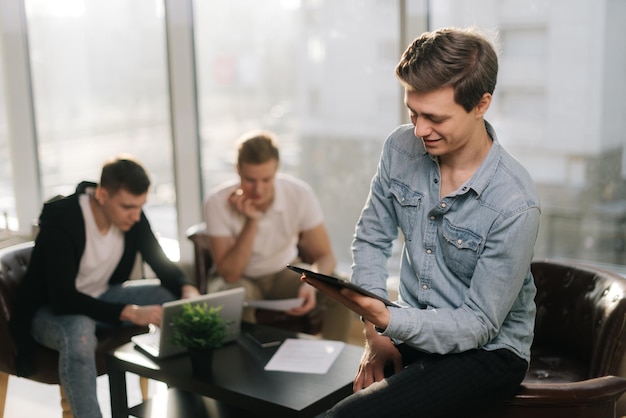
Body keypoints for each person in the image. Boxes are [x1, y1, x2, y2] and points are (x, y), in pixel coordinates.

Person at [302, 27, 541, 417]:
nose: (419, 130)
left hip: (489, 350)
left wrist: (388, 319)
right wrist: (374, 331)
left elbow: (478, 323)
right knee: (318, 401)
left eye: (434, 117)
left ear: (481, 104)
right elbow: (371, 238)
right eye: (412, 113)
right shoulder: (400, 148)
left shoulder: (515, 203)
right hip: (414, 323)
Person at [9, 155, 200, 418]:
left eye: (140, 206)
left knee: (171, 297)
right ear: (101, 194)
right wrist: (130, 312)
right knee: (80, 329)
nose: (136, 216)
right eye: (128, 207)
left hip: (101, 298)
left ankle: (187, 403)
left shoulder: (132, 217)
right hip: (52, 311)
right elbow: (64, 298)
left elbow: (159, 261)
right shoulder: (63, 219)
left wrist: (187, 289)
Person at [203, 130, 352, 341]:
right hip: (239, 279)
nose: (258, 189)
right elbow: (230, 274)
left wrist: (311, 283)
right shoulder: (216, 202)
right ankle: (247, 370)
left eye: (266, 179)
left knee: (340, 289)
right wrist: (251, 221)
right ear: (237, 170)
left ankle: (337, 364)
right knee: (232, 298)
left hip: (284, 272)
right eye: (250, 180)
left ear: (277, 170)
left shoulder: (299, 194)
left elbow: (325, 256)